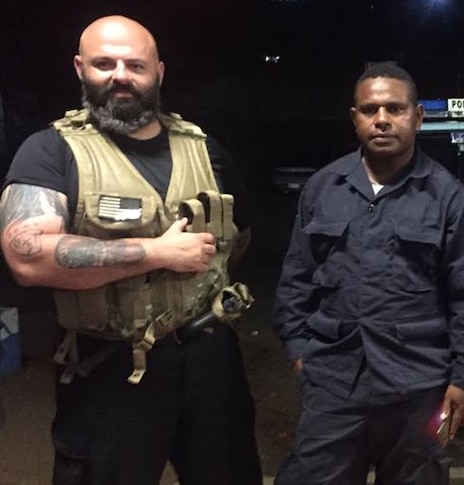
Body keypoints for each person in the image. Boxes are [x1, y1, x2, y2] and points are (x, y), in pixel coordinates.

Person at [0, 15, 262, 485]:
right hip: (110, 368)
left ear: (158, 72)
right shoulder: (50, 152)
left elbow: (239, 237)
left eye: (134, 65)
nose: (121, 75)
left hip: (209, 358)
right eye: (105, 63)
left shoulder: (205, 149)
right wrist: (158, 254)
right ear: (80, 68)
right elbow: (28, 254)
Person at [271, 62, 464, 485]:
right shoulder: (324, 187)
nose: (382, 119)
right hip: (335, 383)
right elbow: (295, 279)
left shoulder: (447, 197)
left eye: (395, 108)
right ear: (355, 117)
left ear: (417, 116)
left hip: (418, 386)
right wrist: (301, 353)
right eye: (370, 109)